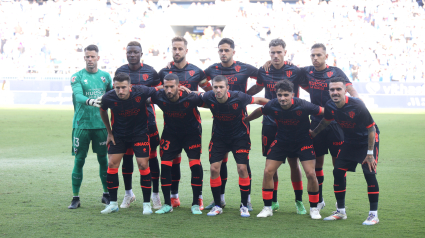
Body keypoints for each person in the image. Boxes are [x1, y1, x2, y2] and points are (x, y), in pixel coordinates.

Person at [244, 79, 323, 219]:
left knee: (311, 173)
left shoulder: (303, 105)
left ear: (292, 94)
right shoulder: (272, 104)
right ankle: (267, 208)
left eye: (286, 95)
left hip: (303, 142)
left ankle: (314, 208)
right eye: (280, 95)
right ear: (276, 95)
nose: (282, 98)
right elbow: (260, 111)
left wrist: (317, 130)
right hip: (281, 142)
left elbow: (324, 112)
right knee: (268, 171)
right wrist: (246, 120)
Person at [247, 39, 307, 213]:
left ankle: (299, 201)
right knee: (272, 163)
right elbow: (256, 88)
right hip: (270, 122)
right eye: (272, 52)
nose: (275, 55)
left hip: (292, 123)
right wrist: (240, 95)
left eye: (279, 52)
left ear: (285, 53)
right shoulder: (264, 71)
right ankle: (273, 201)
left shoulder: (295, 71)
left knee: (293, 162)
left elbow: (309, 86)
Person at [310, 77, 380, 225]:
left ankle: (373, 215)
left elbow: (371, 129)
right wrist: (314, 133)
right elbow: (326, 121)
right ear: (329, 91)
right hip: (349, 141)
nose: (335, 92)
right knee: (338, 171)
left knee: (369, 171)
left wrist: (369, 154)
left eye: (338, 89)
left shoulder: (357, 105)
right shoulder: (330, 105)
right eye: (332, 90)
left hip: (367, 140)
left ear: (345, 91)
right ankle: (341, 211)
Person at [300, 43, 360, 210]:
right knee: (317, 165)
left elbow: (350, 88)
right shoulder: (307, 71)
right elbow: (287, 70)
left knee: (338, 165)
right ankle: (319, 200)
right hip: (316, 123)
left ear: (326, 56)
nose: (315, 58)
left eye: (319, 55)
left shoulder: (336, 72)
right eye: (313, 55)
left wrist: (358, 100)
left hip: (336, 124)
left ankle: (339, 203)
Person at [203, 38, 259, 211]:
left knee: (243, 163)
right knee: (220, 162)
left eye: (226, 50)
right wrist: (214, 96)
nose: (223, 53)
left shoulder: (245, 68)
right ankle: (220, 199)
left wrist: (245, 96)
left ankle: (246, 200)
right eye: (220, 50)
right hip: (220, 122)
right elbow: (199, 81)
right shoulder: (212, 69)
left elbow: (262, 80)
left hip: (239, 121)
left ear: (233, 51)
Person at [202, 75, 269, 217]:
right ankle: (217, 205)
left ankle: (244, 205)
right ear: (212, 88)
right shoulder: (209, 97)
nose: (218, 90)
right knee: (214, 169)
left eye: (221, 87)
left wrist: (277, 104)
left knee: (242, 168)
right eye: (215, 87)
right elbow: (196, 95)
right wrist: (183, 90)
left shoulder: (239, 97)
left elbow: (258, 100)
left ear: (227, 88)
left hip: (239, 137)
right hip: (219, 138)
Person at [158, 36, 212, 209]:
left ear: (186, 50)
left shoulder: (197, 72)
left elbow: (210, 93)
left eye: (180, 48)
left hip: (191, 126)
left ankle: (199, 199)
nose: (177, 51)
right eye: (174, 48)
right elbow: (154, 91)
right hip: (171, 126)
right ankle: (173, 197)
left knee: (194, 163)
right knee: (172, 162)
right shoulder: (163, 72)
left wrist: (193, 93)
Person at [99, 72, 159, 214]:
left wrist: (177, 88)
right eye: (117, 87)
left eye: (124, 87)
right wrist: (109, 132)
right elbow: (102, 111)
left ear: (130, 86)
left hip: (139, 134)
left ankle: (146, 205)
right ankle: (113, 204)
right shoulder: (109, 97)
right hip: (119, 135)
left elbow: (159, 89)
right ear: (114, 86)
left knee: (143, 164)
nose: (120, 91)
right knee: (112, 164)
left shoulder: (141, 91)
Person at [115, 41, 162, 209]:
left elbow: (159, 92)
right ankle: (128, 194)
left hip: (147, 121)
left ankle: (155, 195)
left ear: (141, 54)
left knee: (151, 157)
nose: (132, 55)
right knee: (126, 157)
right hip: (125, 122)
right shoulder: (120, 71)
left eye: (135, 52)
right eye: (129, 52)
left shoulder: (150, 72)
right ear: (126, 53)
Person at [148, 73, 204, 215]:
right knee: (165, 166)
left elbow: (210, 98)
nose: (168, 90)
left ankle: (196, 203)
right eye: (166, 87)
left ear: (179, 87)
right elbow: (141, 95)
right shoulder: (158, 96)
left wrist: (195, 91)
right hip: (171, 134)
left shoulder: (190, 97)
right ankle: (167, 204)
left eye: (172, 87)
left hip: (191, 135)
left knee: (195, 166)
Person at [68, 44, 113, 209]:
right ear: (84, 58)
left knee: (104, 160)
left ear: (98, 58)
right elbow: (78, 95)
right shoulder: (77, 77)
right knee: (79, 160)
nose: (90, 59)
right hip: (82, 125)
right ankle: (75, 197)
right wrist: (90, 101)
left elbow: (111, 95)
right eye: (87, 56)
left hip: (101, 126)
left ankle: (106, 194)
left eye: (93, 56)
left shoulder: (106, 77)